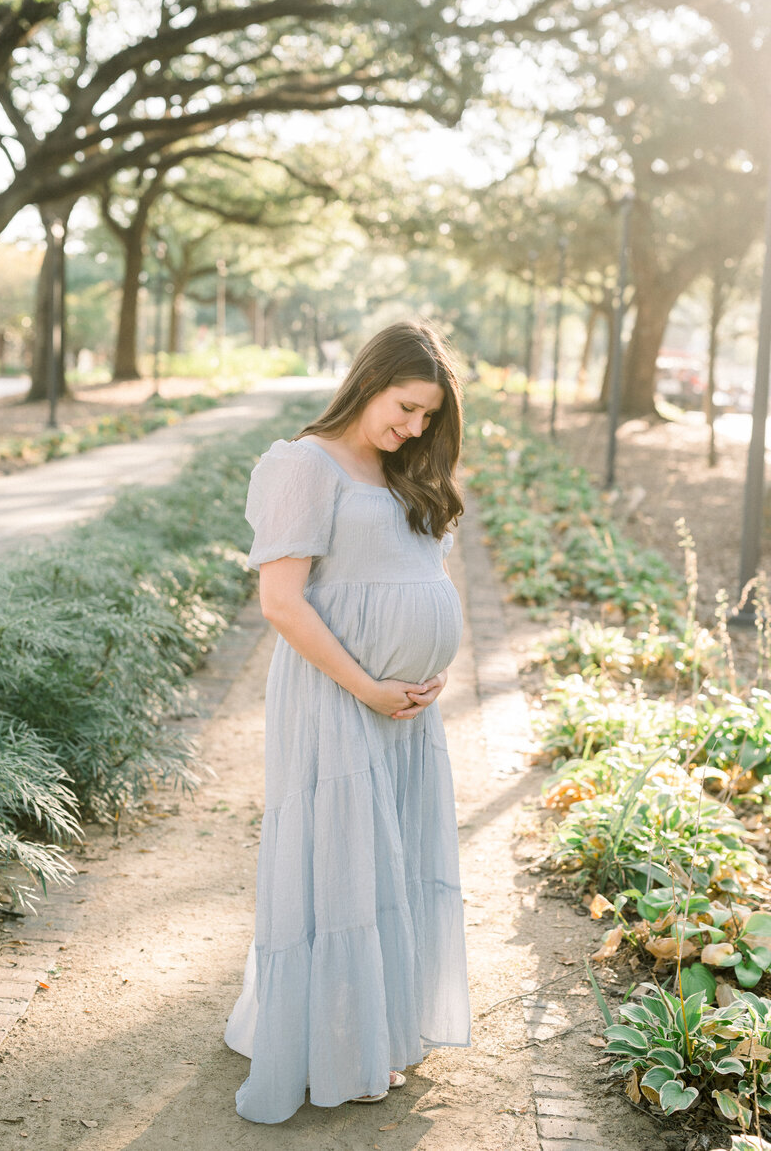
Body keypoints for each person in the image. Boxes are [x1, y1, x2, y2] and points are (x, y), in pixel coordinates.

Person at [224, 318, 471, 1124]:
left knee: (388, 869)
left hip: (403, 712)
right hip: (339, 699)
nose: (415, 427)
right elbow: (281, 602)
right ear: (368, 383)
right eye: (405, 407)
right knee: (341, 868)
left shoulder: (403, 471)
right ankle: (332, 1050)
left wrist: (433, 657)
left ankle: (374, 1035)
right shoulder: (304, 465)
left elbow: (419, 569)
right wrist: (367, 684)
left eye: (429, 416)